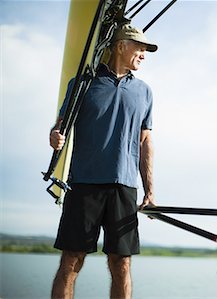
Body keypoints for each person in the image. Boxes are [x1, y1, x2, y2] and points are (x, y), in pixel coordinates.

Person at [49, 23, 157, 299]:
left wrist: (150, 191)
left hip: (123, 187)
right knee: (71, 261)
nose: (144, 55)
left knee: (121, 263)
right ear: (121, 46)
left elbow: (145, 143)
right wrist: (55, 136)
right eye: (140, 48)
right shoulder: (82, 84)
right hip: (84, 183)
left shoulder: (144, 92)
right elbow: (61, 125)